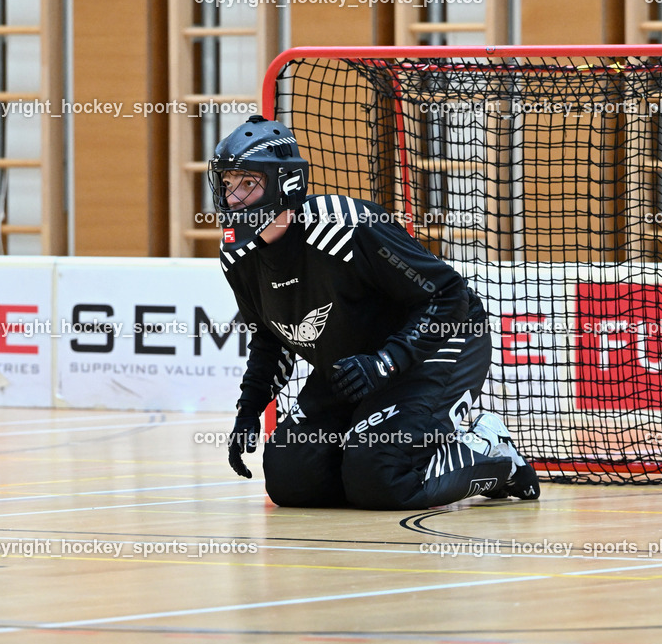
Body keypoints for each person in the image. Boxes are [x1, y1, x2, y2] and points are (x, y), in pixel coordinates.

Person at [209, 114, 540, 510]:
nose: (233, 199)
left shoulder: (349, 227)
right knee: (291, 480)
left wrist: (385, 362)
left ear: (286, 183)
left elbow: (449, 295)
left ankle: (492, 450)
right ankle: (365, 460)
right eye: (228, 184)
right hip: (352, 368)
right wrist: (249, 409)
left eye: (249, 183)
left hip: (439, 345)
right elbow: (270, 337)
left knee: (384, 479)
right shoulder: (237, 254)